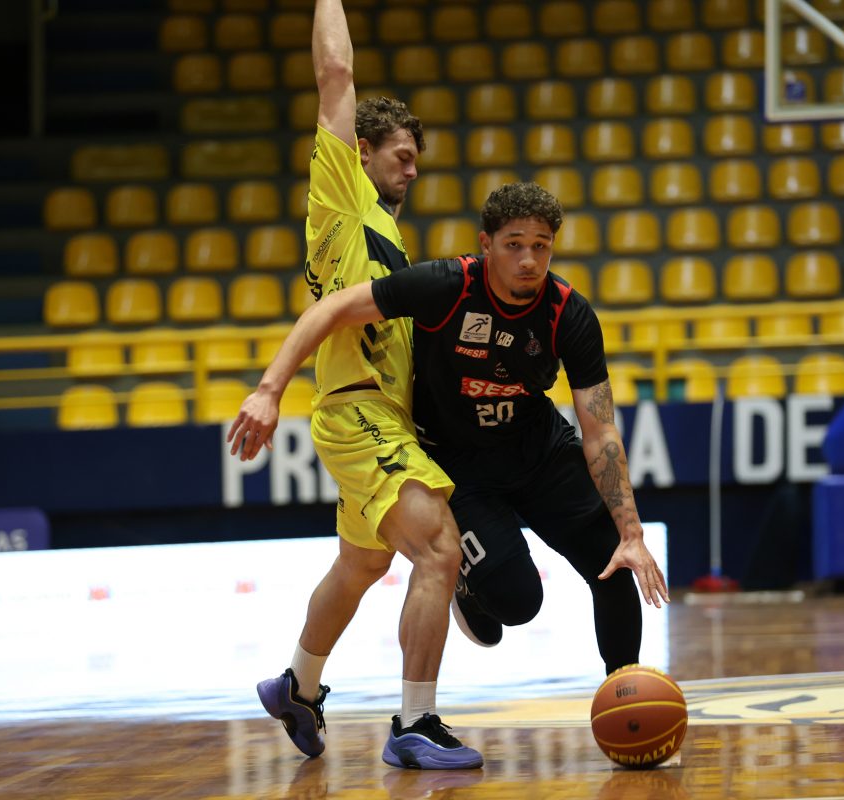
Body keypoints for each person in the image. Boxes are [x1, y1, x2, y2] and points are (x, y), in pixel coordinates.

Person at [229, 182, 669, 693]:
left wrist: (632, 534)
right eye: (514, 245)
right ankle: (467, 582)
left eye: (541, 245)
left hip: (537, 449)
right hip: (459, 466)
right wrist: (269, 391)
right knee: (517, 603)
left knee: (611, 558)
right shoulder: (447, 285)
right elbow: (330, 309)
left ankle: (625, 698)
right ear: (487, 244)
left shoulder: (568, 312)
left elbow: (600, 430)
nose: (529, 260)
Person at [238, 0, 482, 771]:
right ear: (362, 151)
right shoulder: (342, 194)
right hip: (357, 413)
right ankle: (415, 722)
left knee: (364, 564)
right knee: (438, 548)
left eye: (416, 159)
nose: (413, 169)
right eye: (401, 156)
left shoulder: (386, 233)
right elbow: (336, 72)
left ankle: (297, 686)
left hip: (381, 420)